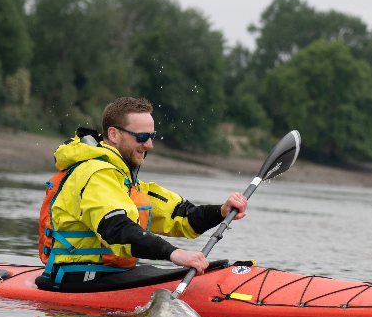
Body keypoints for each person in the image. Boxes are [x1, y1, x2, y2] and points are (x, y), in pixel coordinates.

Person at [38, 96, 248, 291]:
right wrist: (174, 253)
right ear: (113, 134)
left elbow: (180, 217)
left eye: (152, 136)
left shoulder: (125, 181)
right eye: (142, 137)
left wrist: (221, 211)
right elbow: (118, 228)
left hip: (112, 276)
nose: (150, 144)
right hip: (80, 281)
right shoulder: (95, 174)